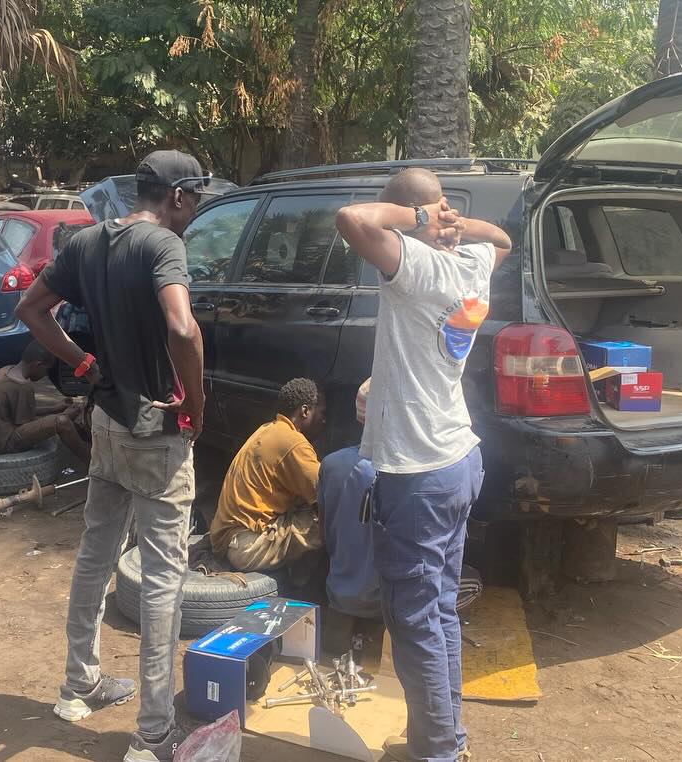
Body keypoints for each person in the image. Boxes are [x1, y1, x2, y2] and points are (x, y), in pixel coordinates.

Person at [15, 150, 211, 762]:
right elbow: (183, 330)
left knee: (96, 554)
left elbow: (30, 309)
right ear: (176, 195)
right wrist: (195, 407)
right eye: (197, 196)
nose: (197, 208)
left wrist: (82, 364)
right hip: (157, 433)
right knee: (162, 582)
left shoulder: (87, 242)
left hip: (106, 421)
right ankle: (153, 735)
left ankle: (81, 683)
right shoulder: (163, 248)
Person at [334, 168, 511, 762]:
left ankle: (437, 750)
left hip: (417, 475)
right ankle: (442, 737)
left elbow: (354, 220)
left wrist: (419, 222)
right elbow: (503, 239)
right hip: (459, 458)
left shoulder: (420, 265)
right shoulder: (472, 264)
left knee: (413, 621)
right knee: (438, 609)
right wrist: (452, 222)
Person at [209, 378, 326, 572]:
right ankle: (306, 588)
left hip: (225, 539)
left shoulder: (267, 429)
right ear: (305, 411)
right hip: (248, 546)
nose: (324, 420)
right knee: (327, 521)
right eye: (322, 413)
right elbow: (325, 497)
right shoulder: (295, 443)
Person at [317, 378, 380, 620]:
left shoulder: (330, 464)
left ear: (359, 417)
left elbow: (323, 535)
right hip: (383, 604)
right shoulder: (400, 474)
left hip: (338, 596)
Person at [0, 341, 90, 464]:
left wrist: (55, 408)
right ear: (38, 365)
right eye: (46, 370)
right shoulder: (22, 386)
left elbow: (20, 411)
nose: (46, 374)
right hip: (3, 444)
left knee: (58, 418)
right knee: (62, 422)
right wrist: (66, 415)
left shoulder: (6, 370)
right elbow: (28, 424)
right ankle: (91, 462)